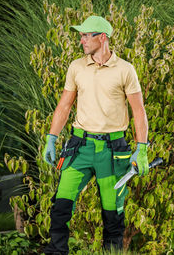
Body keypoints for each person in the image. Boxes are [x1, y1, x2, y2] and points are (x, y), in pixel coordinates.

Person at [42, 15, 149, 255]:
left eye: (86, 35)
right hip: (79, 147)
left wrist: (142, 148)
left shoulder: (125, 70)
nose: (81, 40)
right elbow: (64, 106)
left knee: (113, 216)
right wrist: (52, 137)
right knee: (60, 206)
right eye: (80, 35)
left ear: (103, 37)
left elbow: (138, 111)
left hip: (112, 151)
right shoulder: (77, 67)